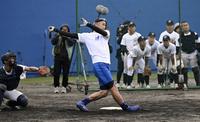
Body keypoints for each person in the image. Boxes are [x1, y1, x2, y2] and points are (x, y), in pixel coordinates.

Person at [48, 18, 142, 112]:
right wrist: (56, 30)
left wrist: (89, 25)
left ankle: (82, 103)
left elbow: (102, 32)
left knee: (104, 92)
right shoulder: (86, 36)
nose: (104, 26)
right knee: (113, 87)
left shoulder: (106, 34)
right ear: (95, 24)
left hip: (105, 65)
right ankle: (126, 107)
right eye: (102, 24)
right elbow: (70, 34)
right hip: (99, 65)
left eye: (105, 24)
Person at [51, 24, 75, 93]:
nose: (64, 31)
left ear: (68, 31)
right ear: (60, 30)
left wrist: (66, 37)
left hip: (66, 58)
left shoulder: (70, 36)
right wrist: (59, 35)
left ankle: (64, 87)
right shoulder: (57, 35)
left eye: (65, 30)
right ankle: (56, 87)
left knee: (65, 73)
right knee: (56, 73)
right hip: (57, 57)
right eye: (62, 29)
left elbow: (71, 43)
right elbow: (53, 42)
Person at [120, 22, 141, 89]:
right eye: (130, 27)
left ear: (135, 27)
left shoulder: (138, 35)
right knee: (126, 68)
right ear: (128, 27)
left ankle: (131, 83)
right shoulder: (125, 36)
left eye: (132, 26)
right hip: (127, 54)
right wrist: (128, 52)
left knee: (134, 69)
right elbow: (123, 46)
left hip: (136, 54)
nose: (131, 28)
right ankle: (125, 83)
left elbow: (141, 44)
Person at [180, 21, 200, 87]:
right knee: (184, 70)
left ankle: (198, 83)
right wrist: (178, 55)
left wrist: (198, 52)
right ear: (181, 27)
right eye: (183, 26)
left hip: (193, 53)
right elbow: (178, 46)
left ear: (188, 26)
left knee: (195, 69)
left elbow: (198, 44)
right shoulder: (180, 36)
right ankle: (185, 84)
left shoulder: (194, 34)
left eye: (186, 25)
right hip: (184, 53)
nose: (185, 27)